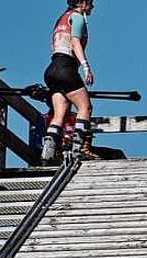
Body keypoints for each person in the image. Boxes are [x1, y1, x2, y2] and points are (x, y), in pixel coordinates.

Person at [41, 0, 99, 164]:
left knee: (59, 114)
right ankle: (78, 149)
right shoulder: (77, 17)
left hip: (52, 68)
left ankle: (48, 153)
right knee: (85, 107)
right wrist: (86, 66)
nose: (92, 7)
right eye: (90, 3)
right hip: (66, 68)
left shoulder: (62, 18)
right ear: (82, 3)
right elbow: (75, 42)